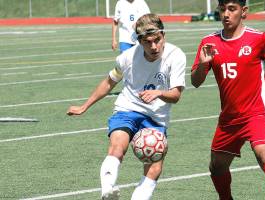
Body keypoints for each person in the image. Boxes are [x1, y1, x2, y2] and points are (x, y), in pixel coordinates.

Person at [67, 13, 186, 200]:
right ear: (139, 41)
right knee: (117, 147)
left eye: (158, 40)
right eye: (148, 42)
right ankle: (107, 190)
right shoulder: (127, 57)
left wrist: (159, 93)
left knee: (155, 167)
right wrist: (84, 106)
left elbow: (176, 95)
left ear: (164, 36)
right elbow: (109, 82)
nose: (154, 46)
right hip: (127, 108)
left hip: (156, 117)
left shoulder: (176, 55)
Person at [191, 0, 265, 200]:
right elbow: (196, 82)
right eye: (222, 9)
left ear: (244, 12)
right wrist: (202, 65)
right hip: (229, 118)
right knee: (217, 166)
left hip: (256, 111)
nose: (226, 14)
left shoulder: (260, 39)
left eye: (232, 9)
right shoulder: (209, 42)